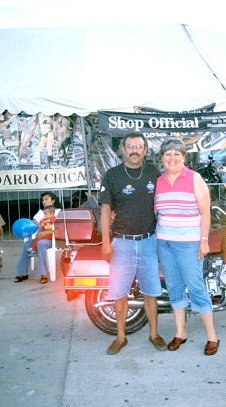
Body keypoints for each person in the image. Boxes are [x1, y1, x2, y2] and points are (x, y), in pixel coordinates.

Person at [98, 133, 165, 355]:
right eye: (130, 146)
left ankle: (154, 334)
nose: (134, 150)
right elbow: (106, 211)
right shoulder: (112, 175)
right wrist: (106, 243)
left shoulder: (153, 173)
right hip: (122, 245)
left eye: (139, 146)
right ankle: (121, 337)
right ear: (123, 149)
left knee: (151, 293)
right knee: (119, 294)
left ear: (145, 150)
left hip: (148, 242)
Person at [155, 138, 220, 356]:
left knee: (196, 287)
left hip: (190, 244)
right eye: (167, 154)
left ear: (184, 156)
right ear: (162, 157)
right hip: (165, 243)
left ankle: (212, 336)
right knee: (173, 287)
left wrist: (203, 240)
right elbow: (157, 211)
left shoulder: (195, 178)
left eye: (176, 154)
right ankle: (180, 332)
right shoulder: (159, 181)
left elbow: (205, 212)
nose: (171, 158)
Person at [15, 192, 62, 284]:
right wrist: (37, 224)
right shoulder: (41, 212)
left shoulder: (58, 212)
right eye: (43, 200)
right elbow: (34, 223)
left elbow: (60, 230)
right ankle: (22, 273)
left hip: (53, 240)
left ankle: (43, 273)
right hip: (40, 238)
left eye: (46, 199)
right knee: (26, 245)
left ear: (53, 201)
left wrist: (45, 232)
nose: (44, 202)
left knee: (41, 244)